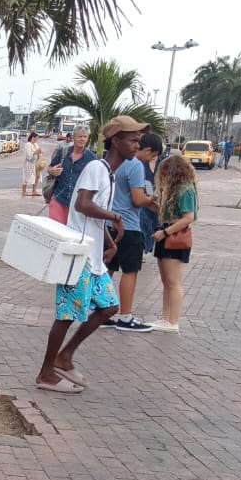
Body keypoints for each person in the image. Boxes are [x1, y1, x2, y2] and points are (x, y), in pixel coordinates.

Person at [34, 116, 142, 393]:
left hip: (93, 256)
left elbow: (92, 214)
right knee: (67, 315)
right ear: (116, 141)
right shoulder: (96, 167)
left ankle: (65, 356)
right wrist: (115, 217)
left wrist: (109, 241)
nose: (137, 144)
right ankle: (47, 372)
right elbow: (81, 205)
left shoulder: (109, 172)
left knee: (109, 307)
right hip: (79, 256)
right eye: (132, 139)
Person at [104, 123, 158, 333]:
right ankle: (125, 316)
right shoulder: (134, 165)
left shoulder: (110, 164)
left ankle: (101, 311)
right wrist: (152, 198)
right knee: (130, 271)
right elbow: (137, 199)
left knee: (108, 269)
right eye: (134, 141)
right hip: (130, 226)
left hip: (110, 225)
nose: (136, 146)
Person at [148, 154, 198, 331]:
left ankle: (173, 320)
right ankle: (165, 317)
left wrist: (165, 232)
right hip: (166, 232)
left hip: (174, 235)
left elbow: (188, 218)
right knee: (167, 281)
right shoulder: (175, 189)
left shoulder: (186, 189)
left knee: (174, 281)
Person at [45, 126, 97, 225]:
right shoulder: (63, 152)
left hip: (77, 204)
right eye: (80, 136)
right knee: (55, 230)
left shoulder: (92, 158)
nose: (82, 139)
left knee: (70, 235)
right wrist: (52, 171)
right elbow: (49, 167)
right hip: (58, 199)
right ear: (73, 137)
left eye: (85, 137)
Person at [21, 131, 43, 197]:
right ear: (33, 137)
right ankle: (24, 191)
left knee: (37, 176)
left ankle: (34, 190)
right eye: (36, 138)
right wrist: (36, 152)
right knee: (27, 176)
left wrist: (40, 152)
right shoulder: (28, 144)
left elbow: (39, 152)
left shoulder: (36, 144)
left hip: (36, 162)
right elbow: (28, 155)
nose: (37, 139)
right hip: (29, 163)